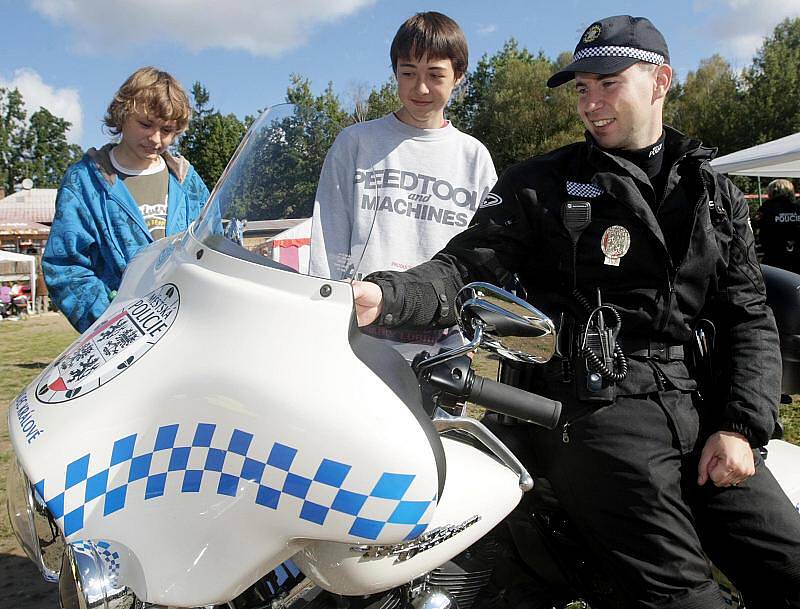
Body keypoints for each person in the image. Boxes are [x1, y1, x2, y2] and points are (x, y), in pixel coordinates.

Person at [352, 15, 800, 609]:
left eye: (608, 84)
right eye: (582, 89)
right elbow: (464, 269)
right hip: (595, 412)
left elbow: (748, 314)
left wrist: (741, 425)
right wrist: (383, 295)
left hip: (700, 409)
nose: (591, 104)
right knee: (681, 593)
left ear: (660, 80)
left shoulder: (711, 193)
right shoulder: (542, 185)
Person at [309, 11, 496, 356]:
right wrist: (327, 312)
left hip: (441, 345)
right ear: (395, 72)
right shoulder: (356, 143)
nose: (420, 87)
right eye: (408, 73)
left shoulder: (475, 158)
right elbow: (327, 236)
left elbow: (481, 256)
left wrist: (470, 331)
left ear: (459, 77)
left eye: (435, 75)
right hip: (361, 334)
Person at [43, 67, 209, 333]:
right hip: (118, 336)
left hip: (185, 330)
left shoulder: (187, 181)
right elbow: (65, 266)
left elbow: (214, 245)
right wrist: (112, 324)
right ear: (122, 114)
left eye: (167, 130)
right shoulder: (84, 181)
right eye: (145, 124)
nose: (156, 139)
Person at [758, 178, 800, 272]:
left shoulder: (767, 207)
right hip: (796, 256)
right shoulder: (797, 208)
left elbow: (760, 227)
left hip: (774, 257)